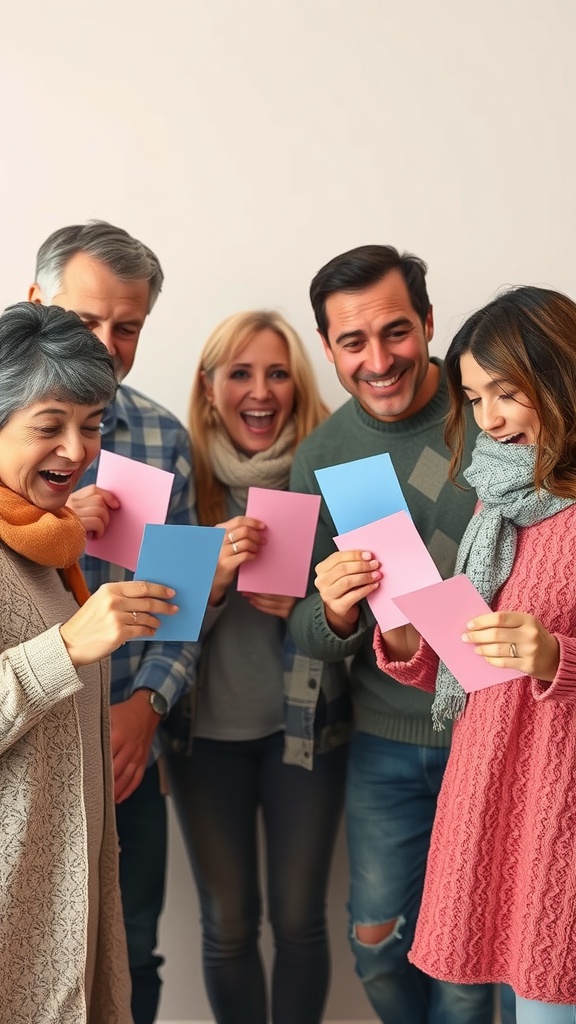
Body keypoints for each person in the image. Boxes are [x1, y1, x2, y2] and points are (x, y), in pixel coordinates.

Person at [288, 245, 495, 1023]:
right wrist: (337, 610)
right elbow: (302, 625)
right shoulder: (323, 455)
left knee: (466, 964)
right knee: (375, 944)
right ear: (329, 348)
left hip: (492, 730)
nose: (378, 360)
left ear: (431, 323)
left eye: (397, 332)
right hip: (385, 742)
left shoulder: (495, 415)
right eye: (353, 342)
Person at [373, 285, 576, 1024]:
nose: (488, 418)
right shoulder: (498, 503)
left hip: (560, 801)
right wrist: (399, 633)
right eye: (473, 396)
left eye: (507, 393)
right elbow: (473, 657)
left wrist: (557, 657)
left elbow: (543, 653)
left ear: (561, 380)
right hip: (493, 781)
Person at [28, 220, 198, 1024]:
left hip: (127, 751)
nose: (106, 340)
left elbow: (183, 602)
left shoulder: (164, 438)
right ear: (35, 302)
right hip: (21, 756)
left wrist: (147, 707)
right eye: (87, 318)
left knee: (131, 947)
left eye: (126, 326)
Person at [163, 310, 350, 1024]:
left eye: (277, 373)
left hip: (305, 733)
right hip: (202, 739)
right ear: (210, 389)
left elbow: (378, 614)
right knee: (229, 923)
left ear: (298, 386)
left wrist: (313, 601)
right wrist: (208, 581)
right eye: (240, 373)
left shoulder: (329, 476)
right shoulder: (178, 482)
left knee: (301, 921)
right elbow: (148, 626)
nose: (261, 391)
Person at [0, 301, 178, 1024]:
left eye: (92, 423)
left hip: (62, 905)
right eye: (50, 425)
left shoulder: (49, 546)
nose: (76, 449)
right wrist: (67, 647)